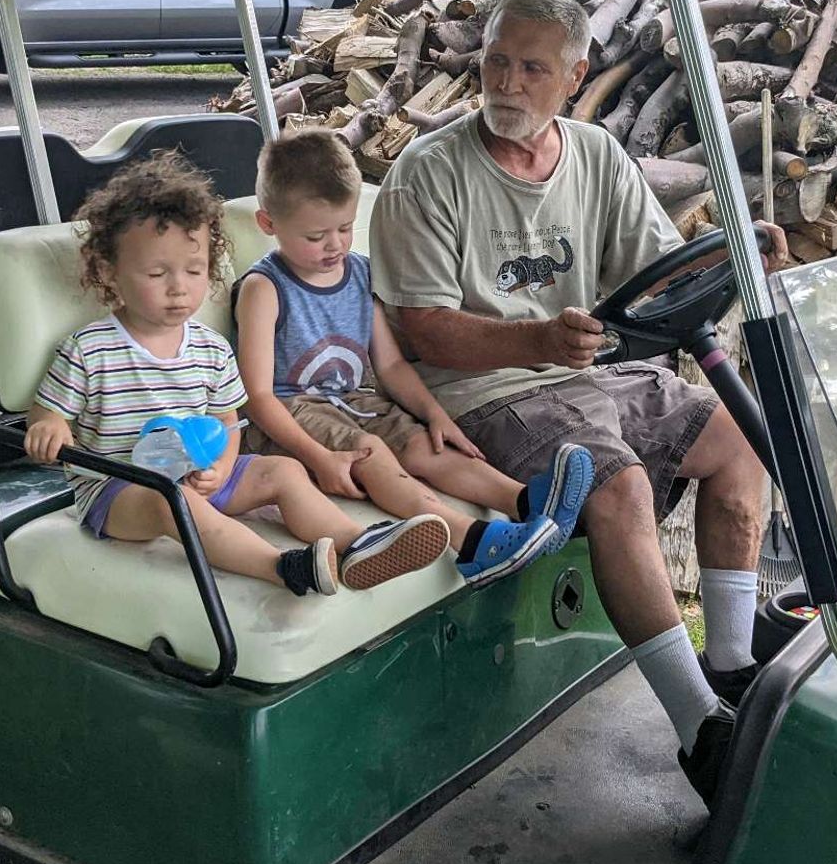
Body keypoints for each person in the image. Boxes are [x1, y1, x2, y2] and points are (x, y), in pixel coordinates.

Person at [370, 0, 788, 805]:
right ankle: (701, 730)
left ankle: (732, 668)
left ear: (574, 75)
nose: (507, 83)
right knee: (617, 481)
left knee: (742, 439)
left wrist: (735, 257)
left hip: (580, 372)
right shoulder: (430, 171)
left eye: (532, 68)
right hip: (480, 391)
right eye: (495, 62)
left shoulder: (595, 155)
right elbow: (420, 329)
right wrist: (533, 341)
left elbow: (651, 270)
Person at [25, 152, 449, 598]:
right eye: (156, 273)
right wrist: (49, 426)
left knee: (283, 471)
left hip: (200, 475)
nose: (179, 287)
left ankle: (358, 545)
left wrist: (222, 467)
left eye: (194, 271)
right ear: (110, 273)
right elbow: (48, 414)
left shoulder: (210, 349)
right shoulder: (90, 350)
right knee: (173, 500)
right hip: (121, 490)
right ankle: (284, 567)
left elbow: (229, 423)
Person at [234, 129, 594, 586]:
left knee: (427, 444)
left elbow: (390, 366)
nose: (335, 246)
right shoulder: (264, 289)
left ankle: (528, 502)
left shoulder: (359, 273)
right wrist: (320, 457)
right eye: (315, 235)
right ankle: (473, 541)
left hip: (357, 400)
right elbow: (258, 397)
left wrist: (434, 414)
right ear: (269, 225)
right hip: (291, 413)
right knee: (374, 452)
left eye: (344, 229)